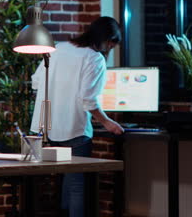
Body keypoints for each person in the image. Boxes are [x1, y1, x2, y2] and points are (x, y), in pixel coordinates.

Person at [30, 16, 124, 217]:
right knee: (76, 185)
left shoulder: (59, 47)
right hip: (73, 128)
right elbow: (88, 99)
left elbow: (36, 82)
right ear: (108, 41)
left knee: (60, 181)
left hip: (44, 127)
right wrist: (107, 122)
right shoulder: (94, 58)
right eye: (112, 45)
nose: (110, 49)